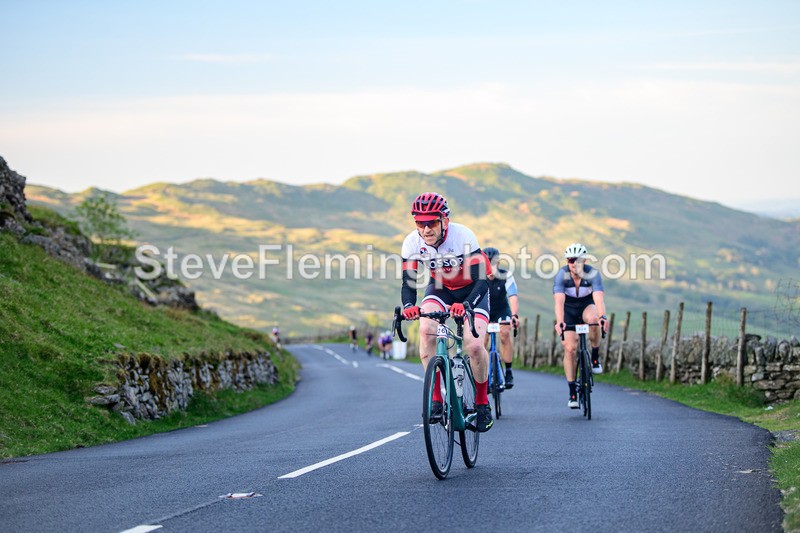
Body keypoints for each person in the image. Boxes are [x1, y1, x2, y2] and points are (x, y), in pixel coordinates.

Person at [400, 192, 494, 432]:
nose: (425, 229)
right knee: (426, 330)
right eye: (419, 223)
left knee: (474, 346)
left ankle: (482, 403)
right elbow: (408, 283)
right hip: (441, 289)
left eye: (431, 222)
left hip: (473, 290)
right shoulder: (412, 242)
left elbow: (482, 281)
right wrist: (409, 306)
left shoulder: (463, 236)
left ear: (445, 221)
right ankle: (436, 399)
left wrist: (467, 304)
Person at [553, 242, 608, 409]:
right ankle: (572, 392)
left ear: (584, 261)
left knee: (594, 319)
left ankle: (595, 356)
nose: (574, 263)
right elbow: (559, 302)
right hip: (568, 310)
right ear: (567, 261)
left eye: (578, 260)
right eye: (571, 260)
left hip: (586, 306)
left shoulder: (592, 274)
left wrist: (602, 317)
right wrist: (560, 322)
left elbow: (598, 298)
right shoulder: (562, 275)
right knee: (570, 349)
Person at [483, 247, 520, 389]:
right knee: (481, 341)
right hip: (484, 310)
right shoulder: (477, 277)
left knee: (504, 333)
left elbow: (513, 296)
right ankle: (482, 374)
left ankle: (508, 371)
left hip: (501, 310)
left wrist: (514, 315)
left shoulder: (506, 275)